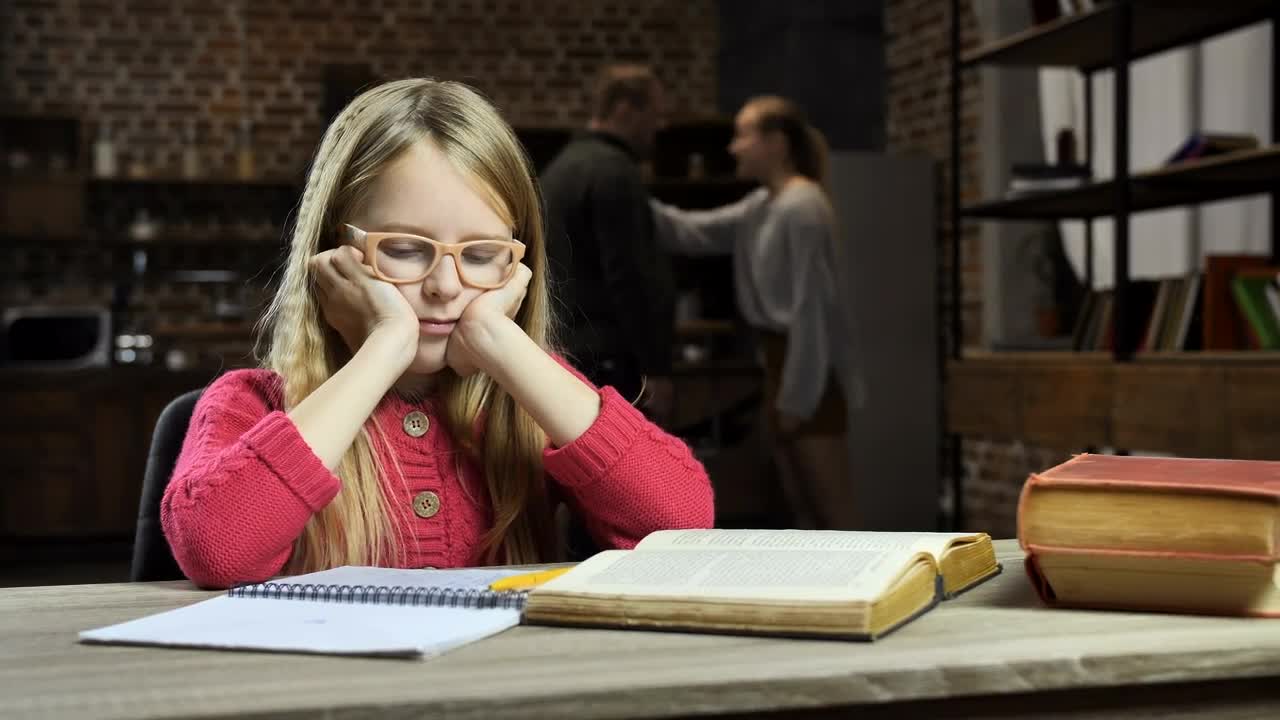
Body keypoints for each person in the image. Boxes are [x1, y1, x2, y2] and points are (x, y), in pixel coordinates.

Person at [161, 78, 714, 589]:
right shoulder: (250, 404)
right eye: (403, 249)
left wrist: (499, 341)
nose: (446, 286)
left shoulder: (529, 401)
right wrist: (386, 346)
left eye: (480, 255)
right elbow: (217, 550)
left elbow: (680, 526)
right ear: (332, 254)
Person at [649, 95, 854, 530]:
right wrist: (631, 195)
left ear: (776, 142)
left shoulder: (803, 207)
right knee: (800, 508)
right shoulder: (762, 206)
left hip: (805, 370)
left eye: (743, 135)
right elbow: (690, 231)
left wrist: (798, 399)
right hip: (780, 365)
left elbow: (812, 311)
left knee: (831, 512)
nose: (733, 148)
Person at [539, 63, 676, 419]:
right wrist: (656, 366)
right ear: (624, 109)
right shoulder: (614, 171)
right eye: (654, 114)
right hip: (610, 359)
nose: (661, 127)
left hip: (567, 349)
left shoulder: (562, 166)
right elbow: (630, 276)